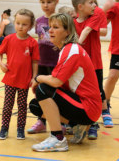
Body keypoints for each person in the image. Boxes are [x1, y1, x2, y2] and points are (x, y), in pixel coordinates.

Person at [30, 13, 102, 152]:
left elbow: (56, 81)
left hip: (88, 107)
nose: (50, 30)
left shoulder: (71, 50)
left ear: (68, 31)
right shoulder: (67, 49)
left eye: (55, 27)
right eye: (50, 27)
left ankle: (57, 138)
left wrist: (38, 78)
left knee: (43, 90)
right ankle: (77, 126)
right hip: (83, 105)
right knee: (36, 106)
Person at [71, 0, 113, 140]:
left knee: (96, 91)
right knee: (78, 91)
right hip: (78, 64)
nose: (94, 5)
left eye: (93, 1)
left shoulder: (96, 14)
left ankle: (100, 115)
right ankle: (77, 122)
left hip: (93, 61)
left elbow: (94, 30)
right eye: (90, 2)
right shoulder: (72, 17)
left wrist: (76, 46)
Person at [0, 9, 39, 140]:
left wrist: (34, 77)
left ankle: (20, 129)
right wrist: (0, 63)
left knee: (22, 106)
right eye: (18, 23)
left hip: (24, 81)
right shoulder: (8, 39)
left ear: (30, 26)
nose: (20, 26)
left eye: (24, 24)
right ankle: (4, 128)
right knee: (7, 104)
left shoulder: (32, 43)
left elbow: (35, 62)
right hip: (10, 79)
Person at [27, 0, 60, 134]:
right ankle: (41, 120)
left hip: (56, 63)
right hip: (42, 62)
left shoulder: (59, 19)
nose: (46, 5)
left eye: (49, 1)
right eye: (43, 2)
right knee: (39, 92)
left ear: (56, 2)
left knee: (56, 93)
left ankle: (60, 121)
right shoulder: (39, 21)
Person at [103, 0, 119, 111]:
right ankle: (105, 103)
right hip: (118, 49)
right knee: (113, 76)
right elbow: (101, 22)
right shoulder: (116, 7)